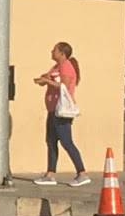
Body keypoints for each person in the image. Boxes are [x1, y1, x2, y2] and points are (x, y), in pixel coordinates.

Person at [32, 41, 90, 187]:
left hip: (62, 112)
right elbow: (50, 79)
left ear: (62, 54)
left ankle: (82, 173)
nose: (52, 52)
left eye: (55, 50)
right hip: (53, 110)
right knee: (51, 142)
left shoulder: (66, 66)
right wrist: (43, 80)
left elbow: (63, 85)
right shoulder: (56, 67)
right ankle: (50, 174)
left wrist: (47, 81)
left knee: (66, 142)